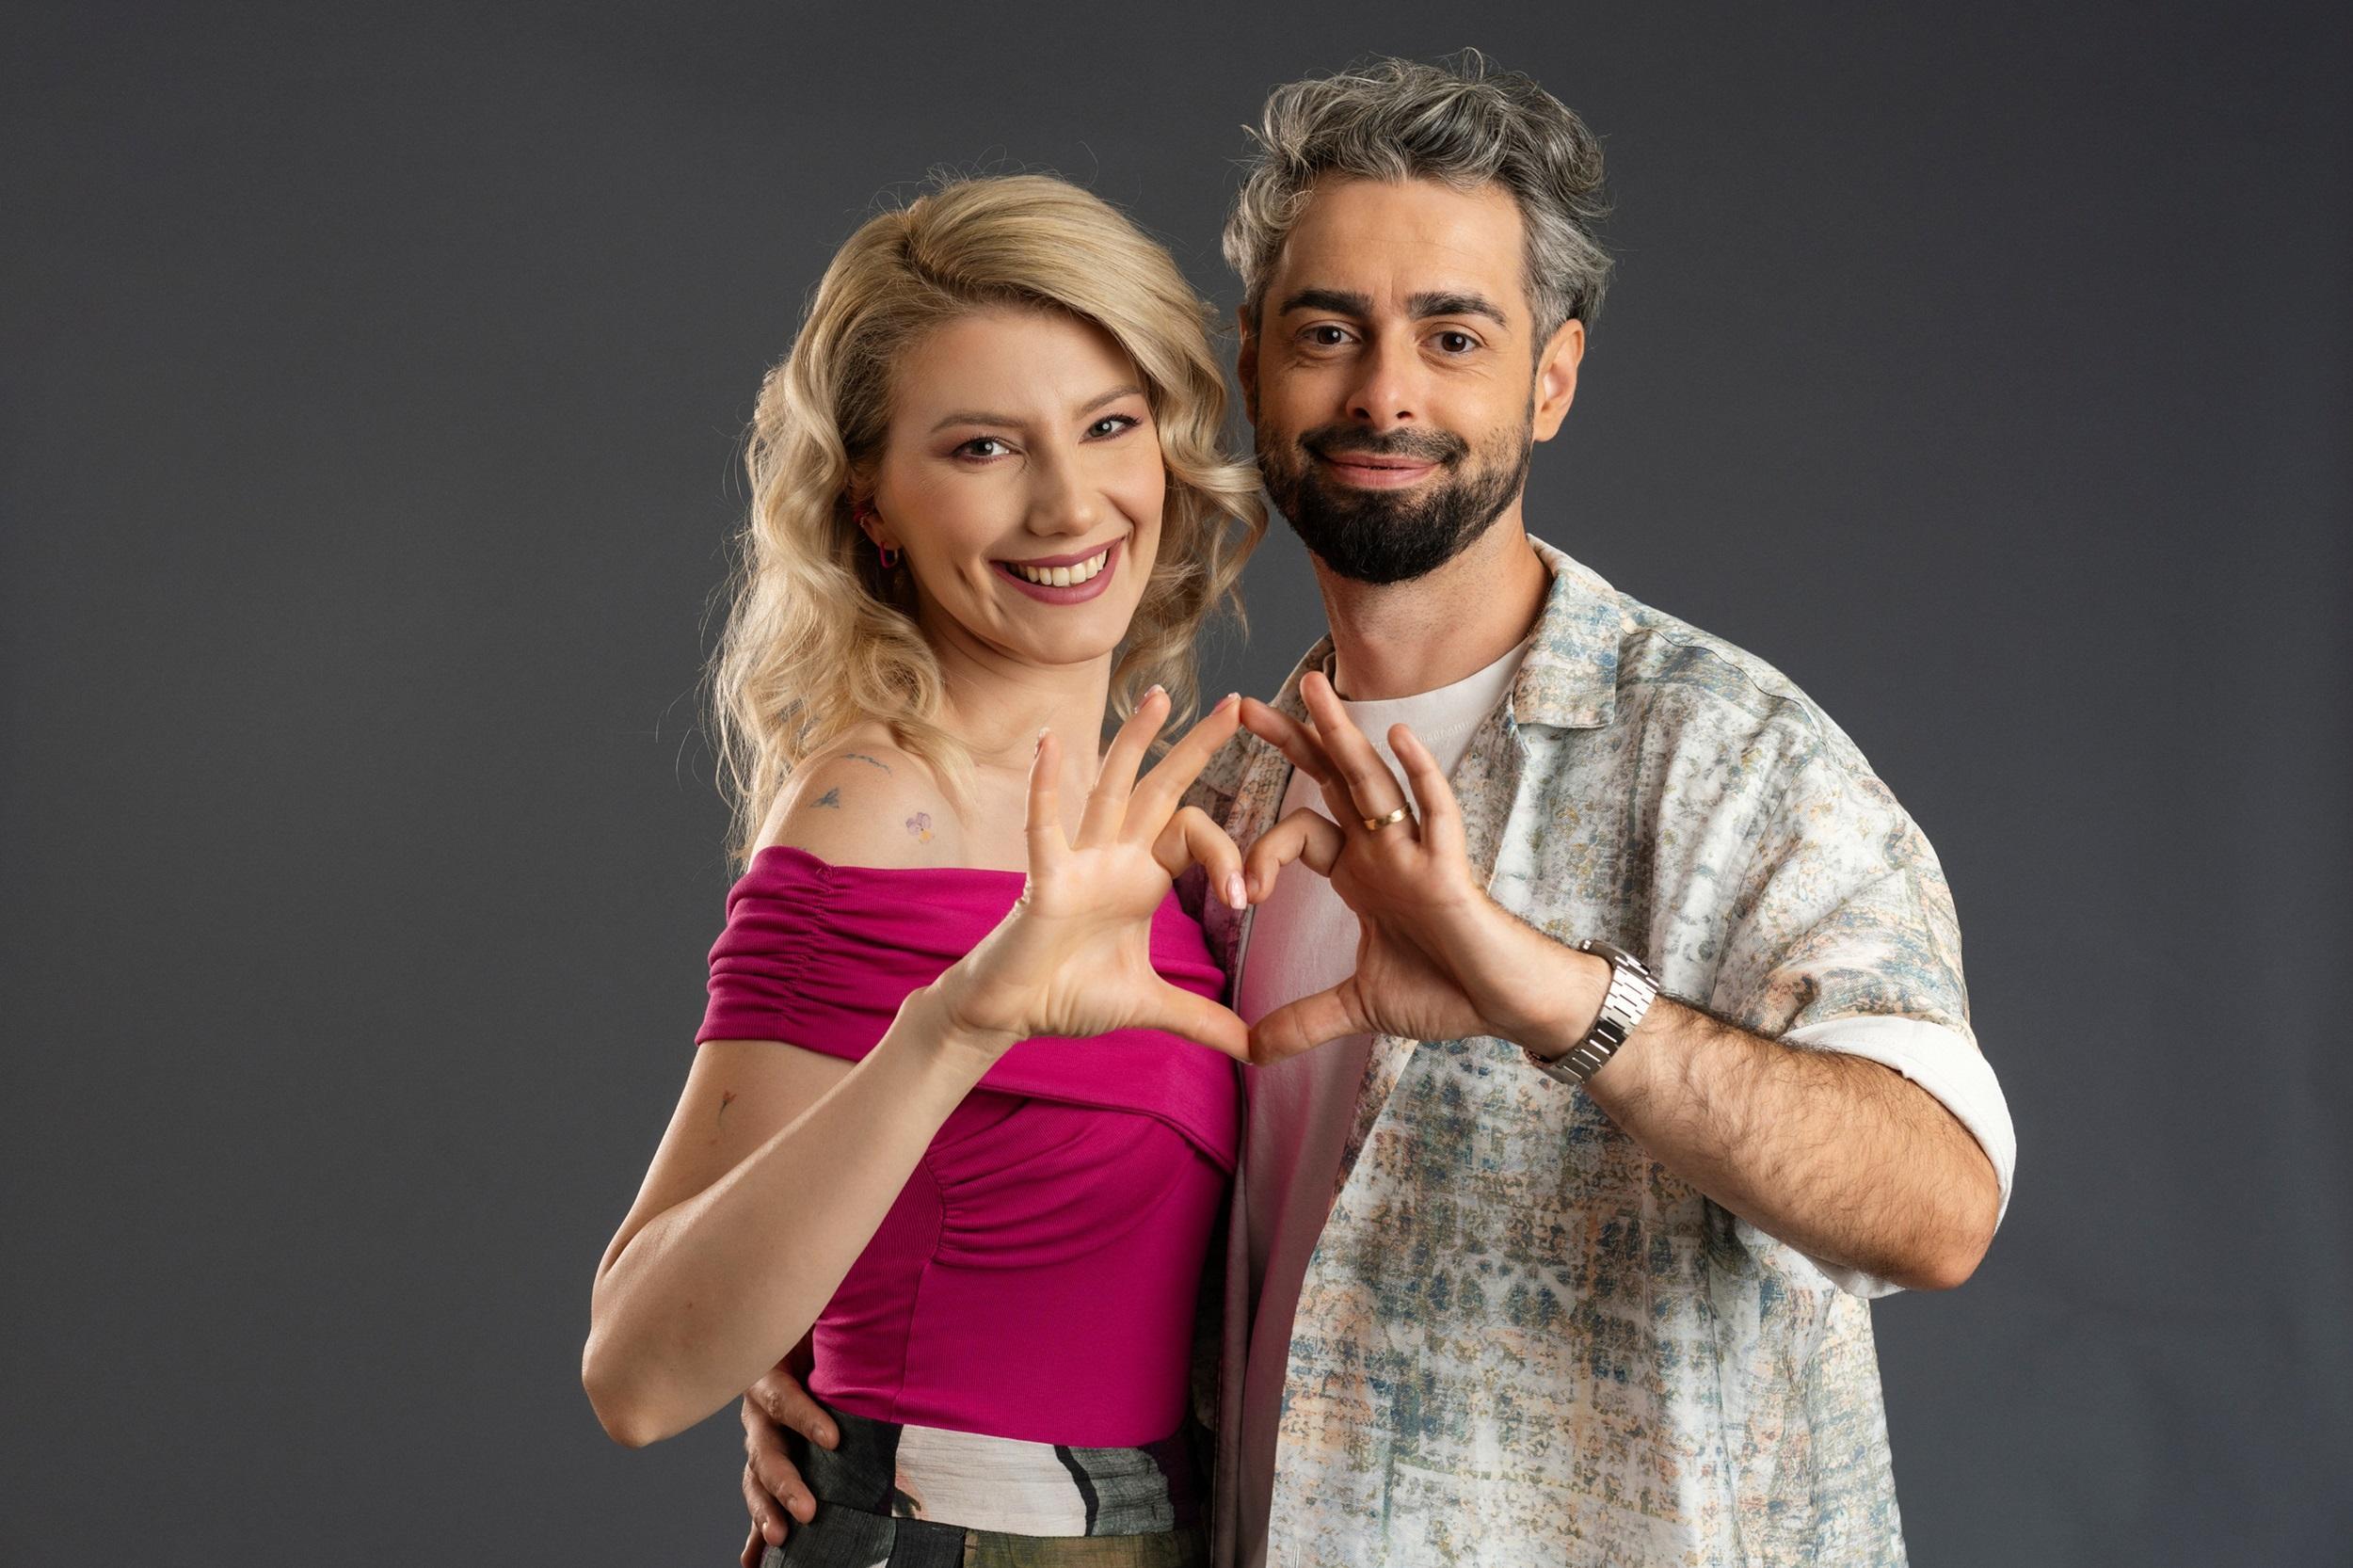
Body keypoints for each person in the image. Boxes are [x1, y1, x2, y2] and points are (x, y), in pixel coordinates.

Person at [744, 52, 2019, 1567]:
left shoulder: (1725, 757)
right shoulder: (1214, 802)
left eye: (1453, 335)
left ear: (1552, 378)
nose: (1384, 393)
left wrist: (1551, 996)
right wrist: (822, 1363)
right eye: (1328, 332)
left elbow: (1940, 1206)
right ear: (1249, 365)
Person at [582, 172, 1270, 1567]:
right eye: (982, 448)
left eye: (1109, 424)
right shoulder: (879, 808)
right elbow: (638, 1370)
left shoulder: (1144, 823)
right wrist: (957, 1025)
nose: (1069, 504)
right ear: (873, 503)